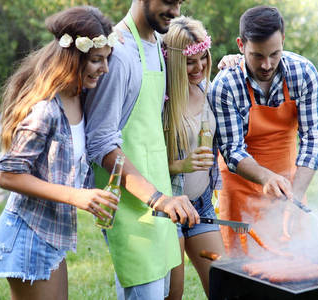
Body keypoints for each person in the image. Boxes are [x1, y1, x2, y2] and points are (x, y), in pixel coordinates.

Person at [0, 6, 119, 300]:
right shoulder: (45, 110)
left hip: (51, 233)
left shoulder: (80, 99)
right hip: (26, 233)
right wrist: (77, 197)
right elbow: (8, 175)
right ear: (72, 59)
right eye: (97, 60)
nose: (105, 69)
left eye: (106, 59)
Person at [84, 0, 200, 299]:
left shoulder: (159, 44)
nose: (175, 11)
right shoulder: (119, 54)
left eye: (179, 3)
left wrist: (231, 63)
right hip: (132, 210)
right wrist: (157, 197)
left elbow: (196, 63)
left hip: (159, 203)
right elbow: (101, 142)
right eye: (168, 1)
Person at [209, 5, 318, 257]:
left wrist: (298, 194)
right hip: (239, 190)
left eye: (274, 53)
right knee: (243, 272)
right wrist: (266, 178)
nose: (266, 64)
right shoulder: (225, 86)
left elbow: (312, 138)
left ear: (283, 40)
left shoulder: (303, 73)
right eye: (257, 55)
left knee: (296, 263)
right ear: (240, 45)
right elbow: (232, 151)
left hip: (289, 189)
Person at [161, 16, 226, 299]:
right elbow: (141, 164)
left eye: (203, 58)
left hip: (201, 205)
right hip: (168, 208)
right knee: (173, 293)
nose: (199, 67)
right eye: (190, 61)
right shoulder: (161, 103)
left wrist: (234, 61)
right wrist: (180, 166)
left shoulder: (207, 89)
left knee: (224, 286)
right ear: (174, 62)